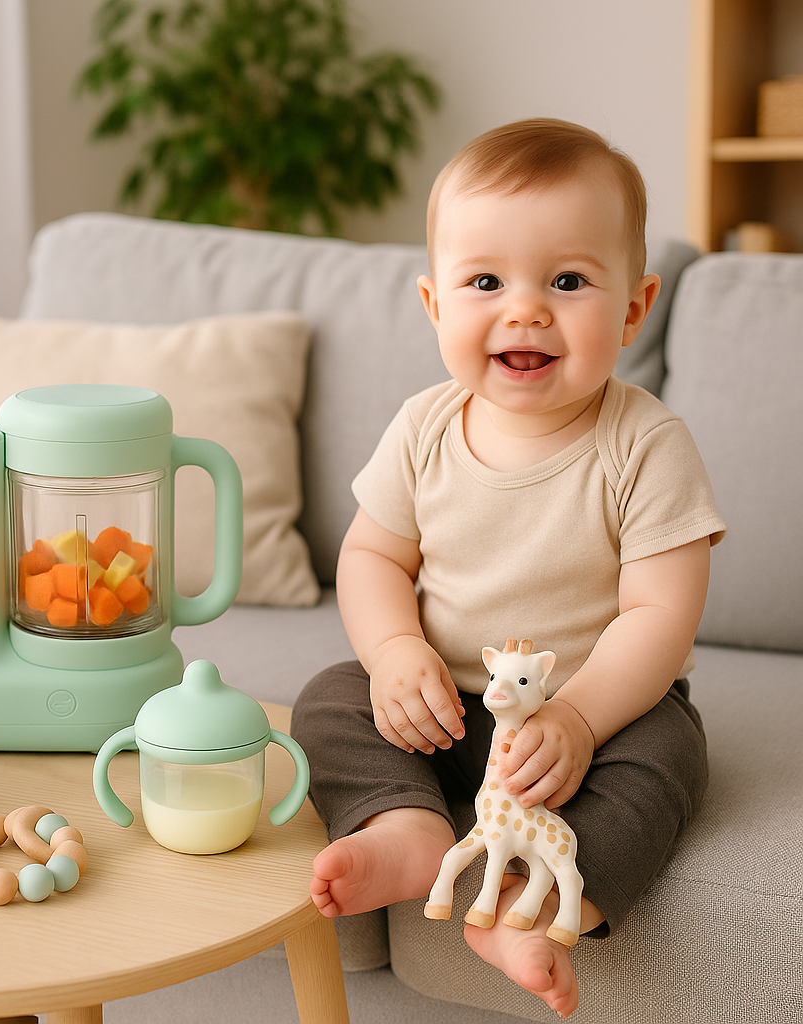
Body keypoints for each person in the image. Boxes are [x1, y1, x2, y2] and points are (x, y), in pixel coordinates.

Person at [290, 118, 726, 1018]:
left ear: (635, 308)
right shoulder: (423, 427)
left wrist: (579, 715)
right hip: (442, 712)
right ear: (436, 305)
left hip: (594, 721)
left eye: (567, 281)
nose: (525, 309)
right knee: (331, 696)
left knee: (672, 757)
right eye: (485, 281)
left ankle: (530, 905)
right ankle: (404, 826)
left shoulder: (644, 445)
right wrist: (393, 650)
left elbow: (660, 615)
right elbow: (371, 553)